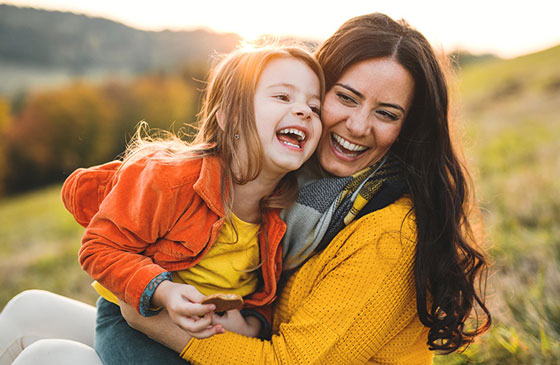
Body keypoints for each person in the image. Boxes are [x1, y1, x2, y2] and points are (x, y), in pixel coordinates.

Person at [0, 12, 491, 364]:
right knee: (25, 310)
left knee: (50, 357)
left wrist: (149, 308)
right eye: (344, 97)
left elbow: (292, 358)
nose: (358, 125)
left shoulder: (387, 228)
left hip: (234, 348)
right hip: (211, 333)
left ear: (409, 129)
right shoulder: (294, 188)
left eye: (387, 113)